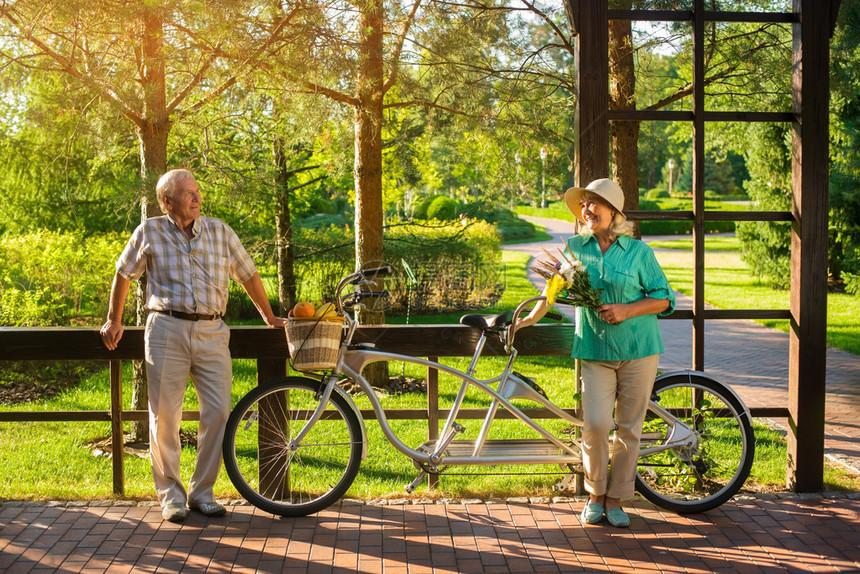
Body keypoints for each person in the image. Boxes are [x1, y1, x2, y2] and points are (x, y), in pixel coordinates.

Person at [100, 169, 286, 523]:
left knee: (218, 412)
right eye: (187, 193)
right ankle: (171, 495)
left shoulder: (219, 230)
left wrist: (269, 316)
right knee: (164, 417)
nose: (197, 198)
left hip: (213, 331)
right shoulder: (149, 231)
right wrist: (114, 319)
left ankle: (203, 492)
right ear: (167, 201)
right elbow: (124, 273)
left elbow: (248, 273)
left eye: (197, 191)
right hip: (166, 327)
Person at [517, 178, 675, 528]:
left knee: (630, 429)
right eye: (584, 205)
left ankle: (616, 499)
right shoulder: (576, 247)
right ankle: (594, 494)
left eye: (594, 204)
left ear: (614, 212)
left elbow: (665, 299)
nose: (587, 210)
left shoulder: (639, 253)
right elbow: (553, 290)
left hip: (639, 350)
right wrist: (527, 319)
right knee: (596, 425)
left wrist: (625, 310)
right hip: (595, 349)